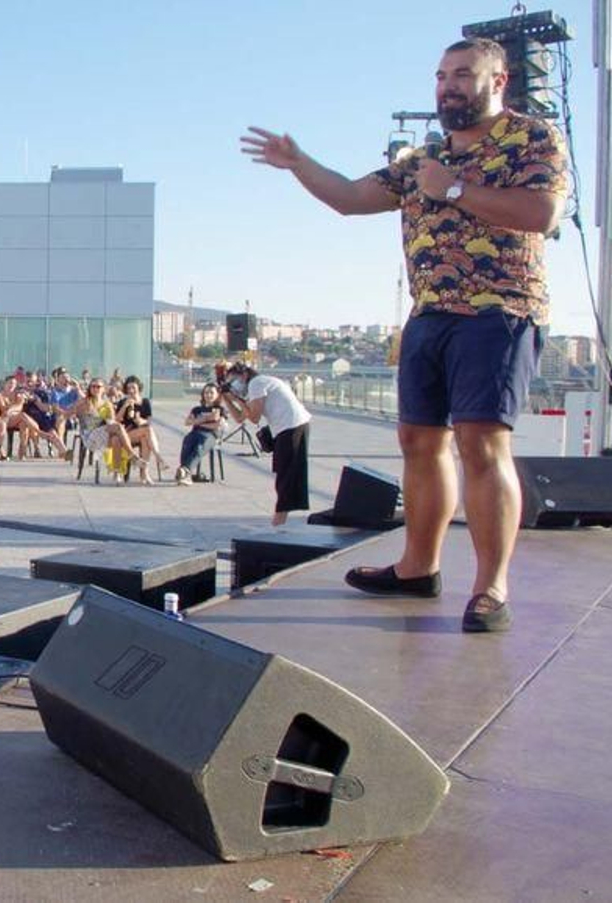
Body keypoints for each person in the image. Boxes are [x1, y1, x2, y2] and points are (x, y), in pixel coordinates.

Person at [243, 36, 567, 632]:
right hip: (429, 316)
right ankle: (418, 568)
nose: (448, 85)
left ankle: (492, 586)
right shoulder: (422, 161)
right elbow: (350, 197)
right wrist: (299, 162)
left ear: (498, 81)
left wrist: (457, 190)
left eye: (463, 74)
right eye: (442, 75)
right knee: (420, 442)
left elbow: (542, 214)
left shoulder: (531, 138)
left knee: (482, 444)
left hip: (498, 312)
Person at [220, 362, 311, 525]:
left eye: (234, 381)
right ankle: (280, 519)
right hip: (288, 427)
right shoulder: (255, 387)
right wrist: (227, 399)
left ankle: (279, 521)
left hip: (292, 427)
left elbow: (254, 418)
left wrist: (237, 398)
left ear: (244, 375)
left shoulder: (257, 383)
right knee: (283, 473)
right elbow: (240, 417)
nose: (233, 386)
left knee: (286, 475)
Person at [177, 384, 226, 484]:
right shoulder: (197, 409)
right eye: (206, 392)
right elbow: (187, 422)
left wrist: (198, 422)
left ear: (217, 395)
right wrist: (207, 419)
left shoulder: (220, 410)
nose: (208, 395)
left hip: (211, 435)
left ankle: (185, 471)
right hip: (195, 433)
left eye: (212, 393)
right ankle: (185, 472)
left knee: (200, 446)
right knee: (187, 440)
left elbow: (216, 426)